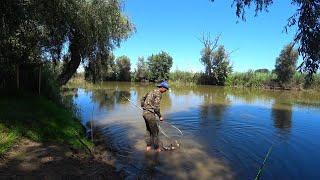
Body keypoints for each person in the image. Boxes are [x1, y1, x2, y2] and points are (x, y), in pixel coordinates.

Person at [141, 81, 169, 152]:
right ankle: (157, 148)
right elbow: (156, 108)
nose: (166, 91)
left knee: (148, 130)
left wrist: (143, 106)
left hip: (144, 113)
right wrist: (160, 116)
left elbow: (142, 98)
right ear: (162, 87)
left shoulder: (151, 91)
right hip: (150, 114)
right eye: (166, 89)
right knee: (155, 131)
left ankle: (148, 147)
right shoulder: (159, 94)